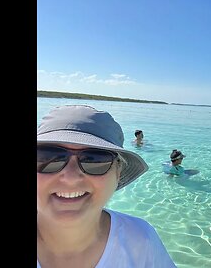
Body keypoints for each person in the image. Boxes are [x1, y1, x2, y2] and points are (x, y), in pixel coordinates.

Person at [37, 105, 176, 268]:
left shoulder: (141, 240)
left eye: (95, 160)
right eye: (48, 158)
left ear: (118, 174)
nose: (71, 178)